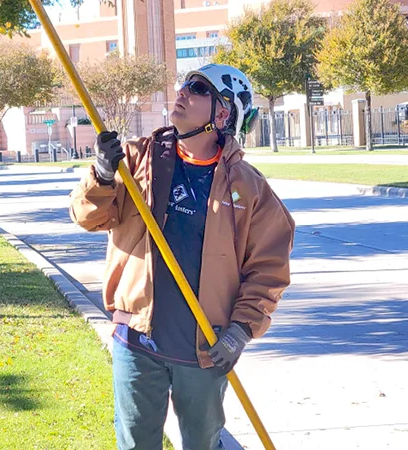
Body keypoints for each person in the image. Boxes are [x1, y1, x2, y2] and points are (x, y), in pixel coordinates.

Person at [69, 63, 295, 450]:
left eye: (198, 88)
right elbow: (89, 217)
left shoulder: (249, 188)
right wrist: (104, 175)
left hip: (205, 350)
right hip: (138, 340)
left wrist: (241, 331)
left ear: (222, 114)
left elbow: (269, 270)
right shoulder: (137, 160)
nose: (183, 91)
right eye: (185, 83)